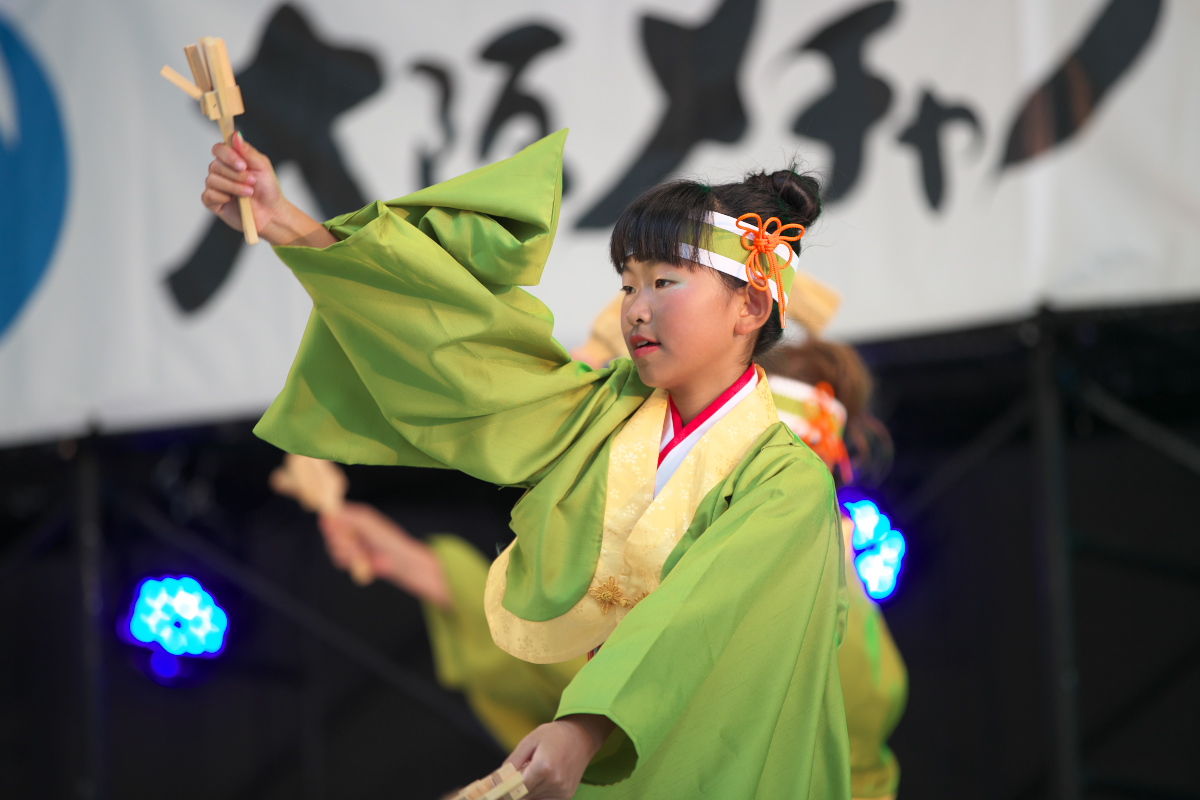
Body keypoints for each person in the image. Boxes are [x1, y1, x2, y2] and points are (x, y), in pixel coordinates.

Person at [201, 129, 849, 798]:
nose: (635, 309)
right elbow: (463, 359)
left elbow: (699, 619)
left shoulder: (789, 485)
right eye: (628, 285)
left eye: (663, 281)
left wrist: (587, 727)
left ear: (750, 305)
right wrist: (287, 224)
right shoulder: (601, 414)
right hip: (610, 752)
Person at [316, 334, 907, 800]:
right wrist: (415, 563)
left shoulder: (761, 577)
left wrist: (419, 566)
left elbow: (612, 667)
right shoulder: (839, 594)